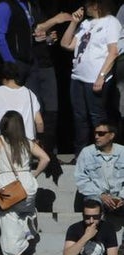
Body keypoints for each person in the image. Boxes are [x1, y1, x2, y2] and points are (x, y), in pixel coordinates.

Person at [0, 2, 71, 176]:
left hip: (30, 64)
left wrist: (45, 39)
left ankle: (37, 150)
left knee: (33, 110)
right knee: (13, 110)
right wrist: (10, 63)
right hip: (16, 64)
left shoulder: (25, 6)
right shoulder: (5, 6)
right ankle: (9, 153)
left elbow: (29, 36)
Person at [0, 111, 50, 255]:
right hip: (27, 183)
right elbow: (45, 158)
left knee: (8, 221)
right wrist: (33, 175)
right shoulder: (28, 142)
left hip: (7, 183)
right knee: (24, 211)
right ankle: (28, 227)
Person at [61, 2, 121, 151]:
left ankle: (102, 151)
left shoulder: (111, 22)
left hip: (95, 78)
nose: (85, 6)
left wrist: (101, 76)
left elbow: (113, 52)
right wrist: (74, 23)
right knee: (79, 117)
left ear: (97, 5)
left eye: (88, 3)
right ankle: (80, 154)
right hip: (78, 78)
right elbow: (66, 44)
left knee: (97, 117)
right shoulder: (85, 23)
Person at [73, 121, 124, 224]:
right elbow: (81, 180)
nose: (96, 136)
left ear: (111, 135)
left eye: (101, 134)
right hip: (96, 196)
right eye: (95, 133)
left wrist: (121, 197)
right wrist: (101, 195)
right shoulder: (87, 152)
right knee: (93, 205)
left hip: (119, 196)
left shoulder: (122, 152)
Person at [0, 62, 44, 140]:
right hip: (28, 144)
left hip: (6, 144)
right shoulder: (29, 93)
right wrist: (39, 141)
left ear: (3, 77)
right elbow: (39, 123)